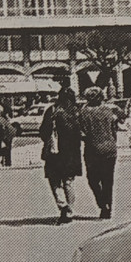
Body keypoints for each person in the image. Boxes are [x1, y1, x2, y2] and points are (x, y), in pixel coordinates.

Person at [39, 87, 82, 225]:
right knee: (69, 181)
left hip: (54, 152)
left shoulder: (52, 110)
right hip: (71, 153)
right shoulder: (76, 111)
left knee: (54, 180)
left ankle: (62, 204)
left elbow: (43, 131)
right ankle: (70, 210)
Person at [79, 86, 124, 219]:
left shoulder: (84, 112)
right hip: (110, 149)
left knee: (92, 179)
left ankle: (102, 203)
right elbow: (114, 129)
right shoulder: (108, 110)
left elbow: (82, 133)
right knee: (108, 180)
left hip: (93, 150)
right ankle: (108, 207)